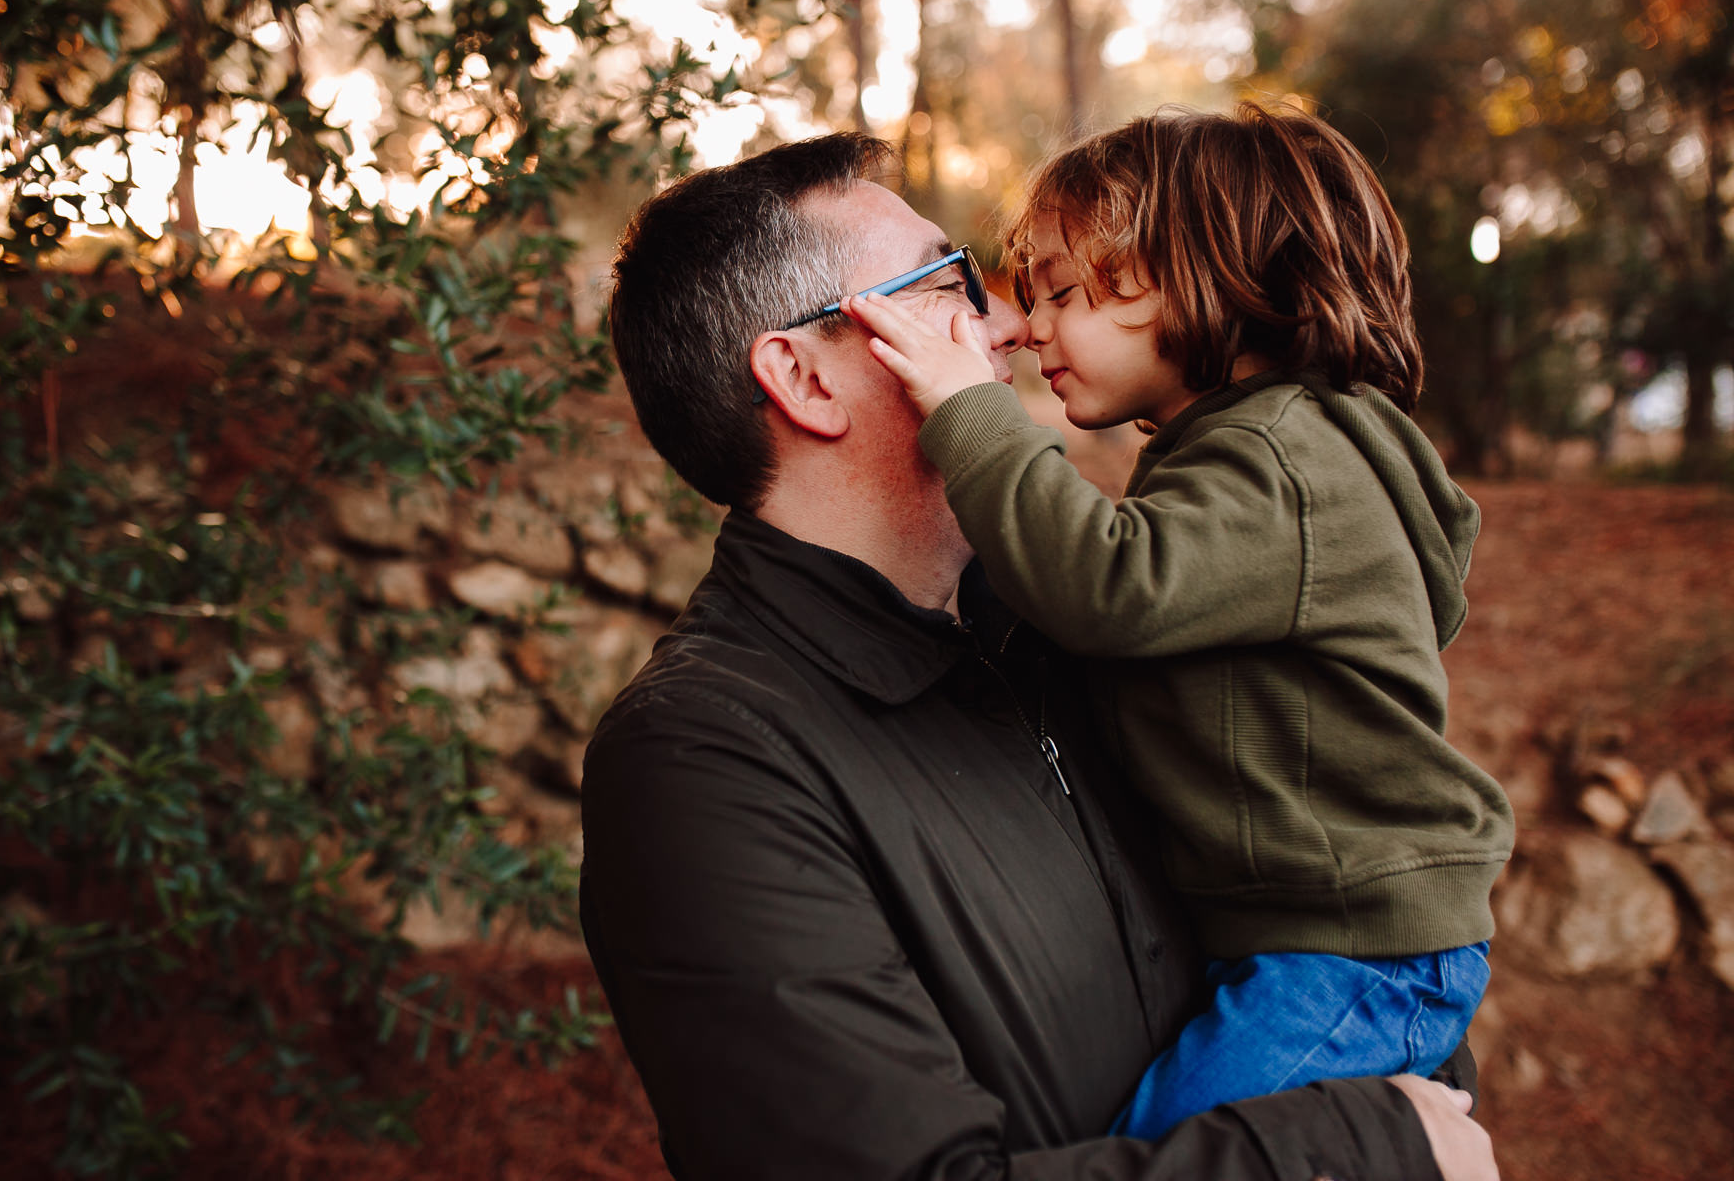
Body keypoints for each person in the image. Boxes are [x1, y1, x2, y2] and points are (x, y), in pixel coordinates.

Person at [581, 130, 1499, 1179]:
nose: (1012, 323)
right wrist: (1371, 1148)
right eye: (948, 287)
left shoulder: (1054, 628)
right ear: (803, 377)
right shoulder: (705, 763)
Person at [851, 103, 1515, 1144]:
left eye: (1063, 291)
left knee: (1174, 1155)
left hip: (1348, 950)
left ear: (1216, 274)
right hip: (1310, 939)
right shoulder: (1254, 455)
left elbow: (1108, 583)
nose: (1026, 328)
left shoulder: (1285, 461)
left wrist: (963, 404)